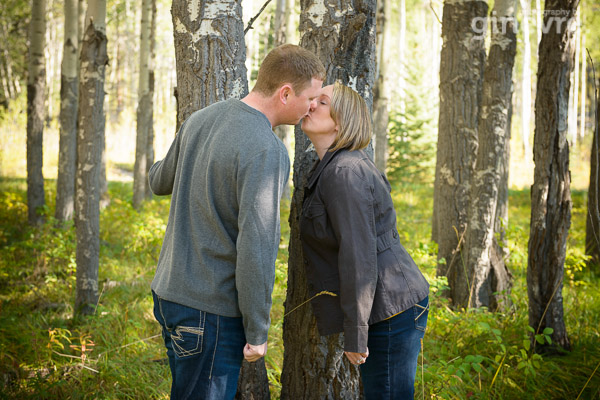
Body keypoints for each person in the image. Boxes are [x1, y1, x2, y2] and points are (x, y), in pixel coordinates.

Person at [149, 44, 325, 400]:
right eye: (311, 97)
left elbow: (158, 181)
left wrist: (195, 153)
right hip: (209, 312)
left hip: (168, 296)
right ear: (285, 92)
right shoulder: (268, 149)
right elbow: (256, 247)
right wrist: (257, 329)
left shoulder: (200, 118)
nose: (312, 107)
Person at [299, 82, 430, 399]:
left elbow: (358, 255)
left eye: (323, 102)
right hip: (385, 305)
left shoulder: (344, 172)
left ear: (341, 122)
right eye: (312, 99)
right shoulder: (332, 168)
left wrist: (356, 333)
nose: (311, 104)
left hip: (390, 310)